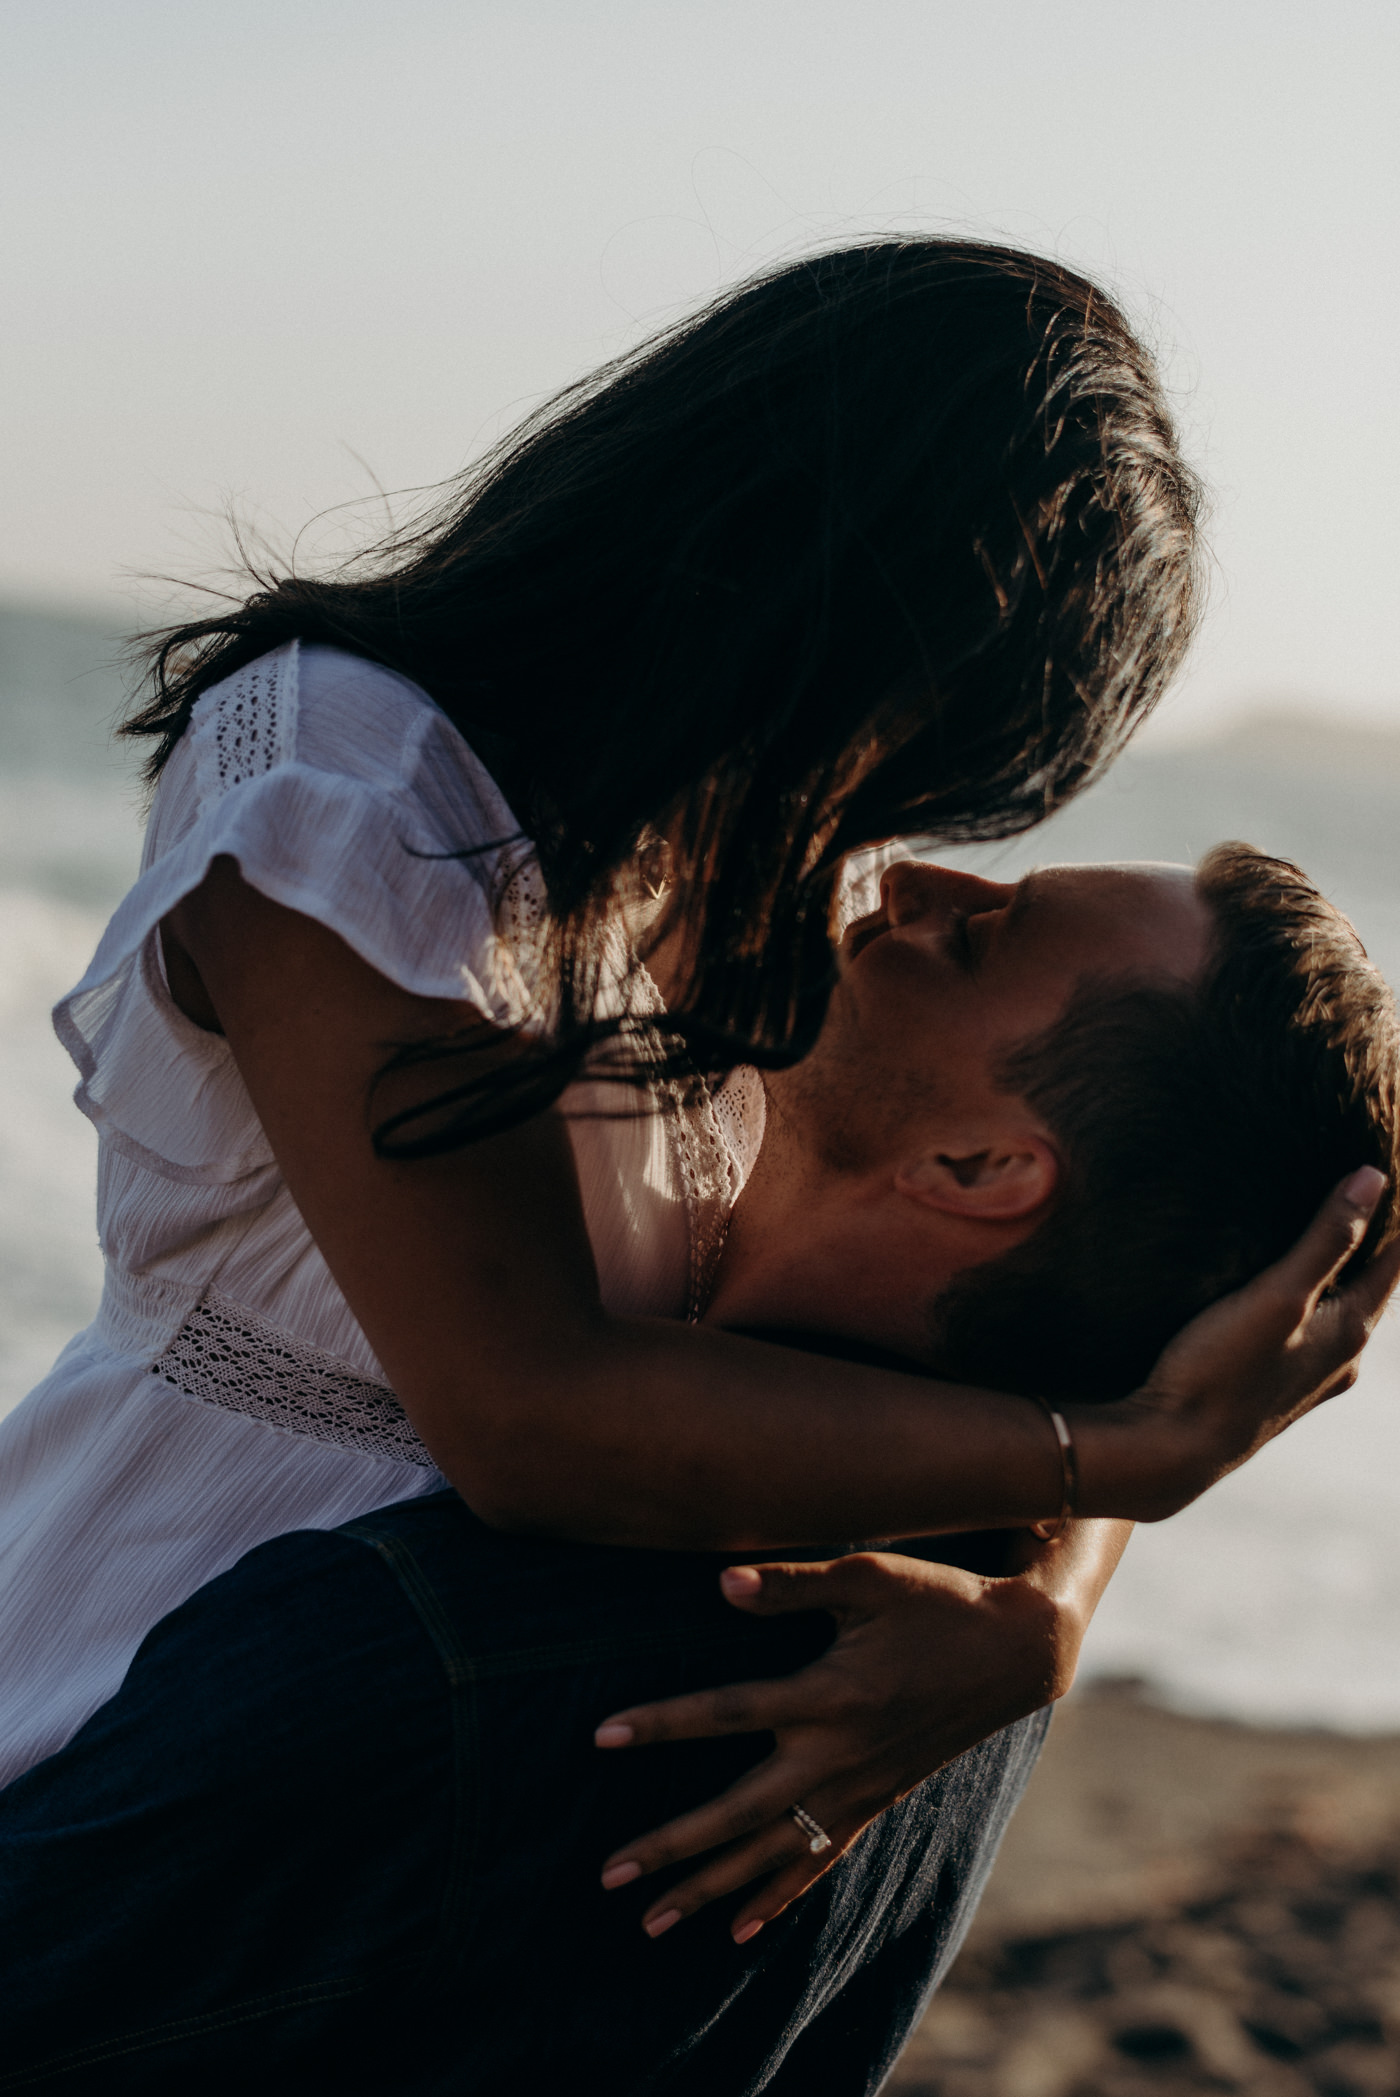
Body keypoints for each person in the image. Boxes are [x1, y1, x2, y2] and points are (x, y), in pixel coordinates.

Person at [0, 237, 1391, 2089]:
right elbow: (525, 1407)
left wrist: (1040, 1607)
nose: (899, 842)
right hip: (147, 1676)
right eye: (929, 738)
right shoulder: (350, 789)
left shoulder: (768, 862)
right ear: (815, 592)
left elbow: (1082, 1279)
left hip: (465, 1755)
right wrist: (1110, 1467)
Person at [0, 840, 1394, 2095]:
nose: (905, 878)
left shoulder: (434, 1645)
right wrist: (1092, 1522)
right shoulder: (967, 1656)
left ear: (976, 1165)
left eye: (980, 933)